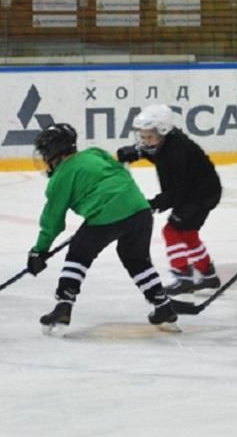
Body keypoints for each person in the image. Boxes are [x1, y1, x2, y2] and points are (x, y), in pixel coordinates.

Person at [26, 122, 179, 333]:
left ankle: (63, 306)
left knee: (79, 254)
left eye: (45, 152)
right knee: (136, 259)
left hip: (106, 217)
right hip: (139, 209)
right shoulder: (95, 153)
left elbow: (53, 221)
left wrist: (39, 250)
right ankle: (163, 306)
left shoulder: (60, 178)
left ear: (53, 152)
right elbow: (121, 173)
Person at [117, 104, 223, 295]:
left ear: (163, 131)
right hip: (199, 192)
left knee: (172, 231)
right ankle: (208, 274)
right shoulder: (169, 143)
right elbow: (160, 156)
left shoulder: (177, 152)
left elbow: (175, 192)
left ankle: (183, 277)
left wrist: (152, 205)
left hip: (199, 196)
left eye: (149, 137)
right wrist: (138, 153)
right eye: (143, 137)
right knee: (187, 233)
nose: (145, 141)